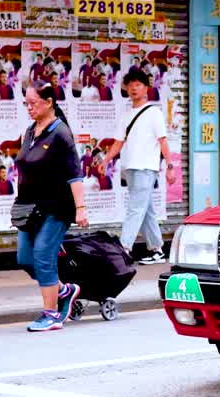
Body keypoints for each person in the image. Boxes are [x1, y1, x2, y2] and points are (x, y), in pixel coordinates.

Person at [14, 81, 89, 332]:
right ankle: (65, 290)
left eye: (33, 103)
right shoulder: (30, 131)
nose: (29, 108)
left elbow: (74, 174)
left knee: (44, 256)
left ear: (49, 102)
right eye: (26, 103)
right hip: (30, 208)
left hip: (57, 207)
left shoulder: (61, 133)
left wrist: (81, 208)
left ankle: (52, 314)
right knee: (26, 258)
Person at [102, 66, 174, 264]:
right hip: (130, 168)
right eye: (130, 85)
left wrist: (169, 166)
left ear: (146, 88)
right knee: (146, 209)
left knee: (135, 208)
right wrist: (106, 160)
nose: (133, 88)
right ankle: (157, 250)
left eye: (138, 85)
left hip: (146, 168)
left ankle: (124, 247)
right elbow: (118, 142)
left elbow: (163, 141)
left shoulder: (154, 113)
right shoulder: (126, 115)